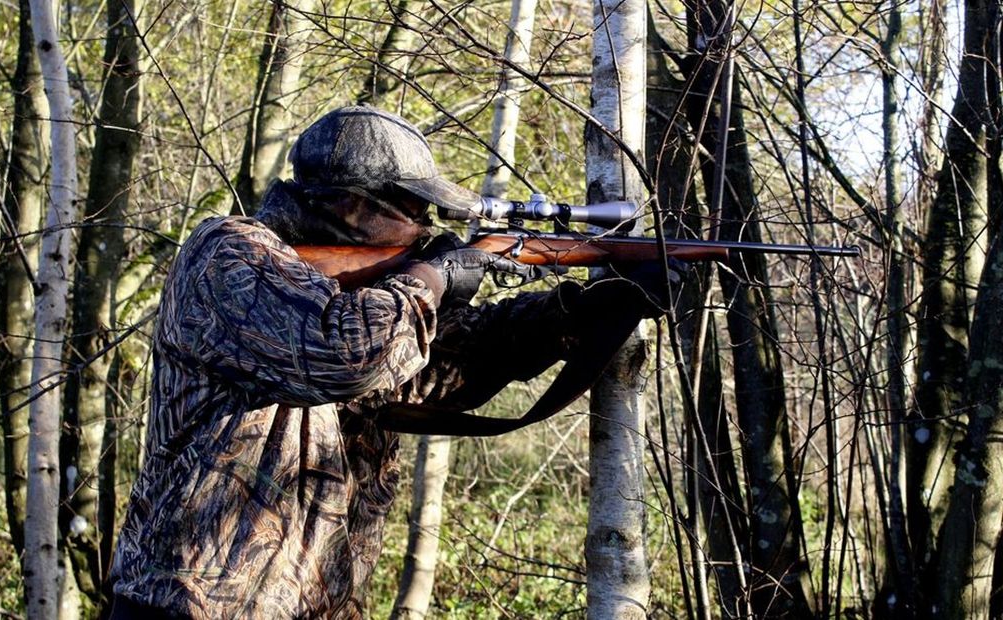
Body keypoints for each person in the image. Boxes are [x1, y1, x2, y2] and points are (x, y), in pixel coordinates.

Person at [106, 106, 671, 618]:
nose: (427, 225)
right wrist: (431, 278)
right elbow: (347, 353)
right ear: (352, 202)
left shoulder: (362, 299)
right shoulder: (229, 253)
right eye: (412, 207)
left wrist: (579, 313)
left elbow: (443, 370)